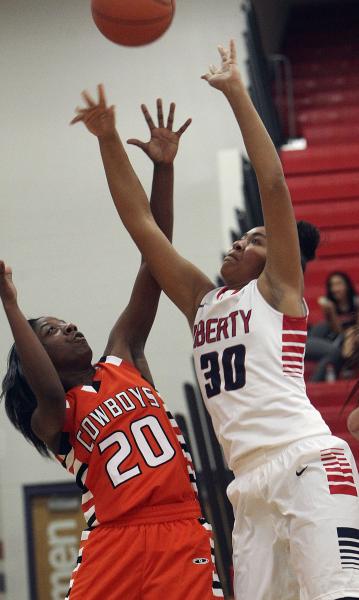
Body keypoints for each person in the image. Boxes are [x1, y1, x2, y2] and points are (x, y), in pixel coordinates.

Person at [72, 40, 359, 600]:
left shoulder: (278, 291)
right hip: (245, 488)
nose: (238, 242)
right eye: (240, 235)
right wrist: (108, 140)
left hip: (306, 462)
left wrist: (234, 91)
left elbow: (273, 185)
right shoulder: (202, 301)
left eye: (255, 240)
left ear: (277, 257)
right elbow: (143, 228)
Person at [0, 95, 223, 599]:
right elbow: (45, 387)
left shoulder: (124, 354)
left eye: (64, 322)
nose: (71, 327)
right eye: (54, 331)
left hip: (180, 530)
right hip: (113, 543)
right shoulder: (53, 416)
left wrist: (162, 172)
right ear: (38, 360)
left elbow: (154, 258)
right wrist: (12, 305)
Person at [307, 272, 359, 381]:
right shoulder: (329, 306)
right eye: (332, 285)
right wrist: (331, 312)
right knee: (323, 328)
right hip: (331, 340)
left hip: (348, 341)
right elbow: (336, 330)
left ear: (347, 285)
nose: (335, 288)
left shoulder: (356, 303)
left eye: (339, 284)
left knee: (338, 348)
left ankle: (314, 383)